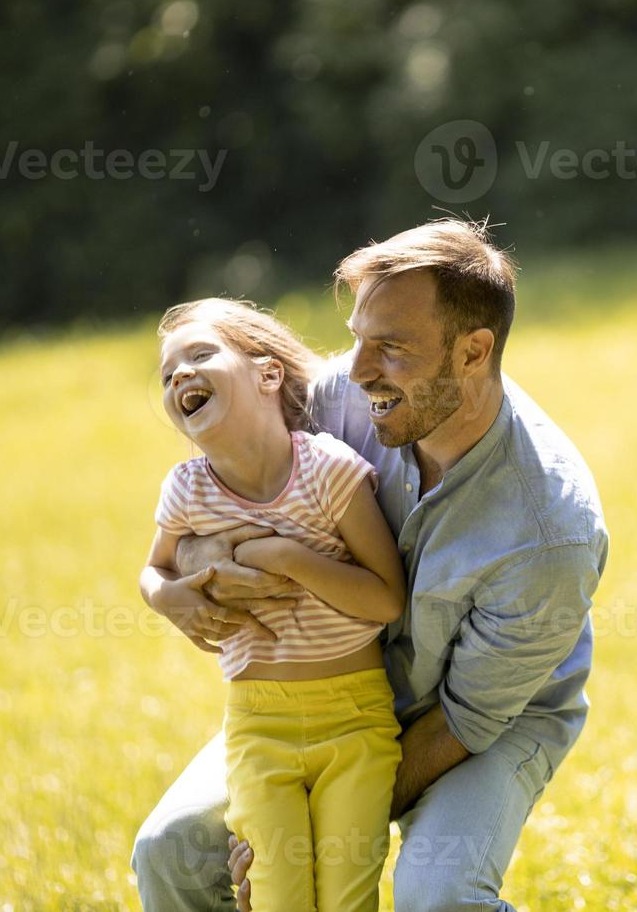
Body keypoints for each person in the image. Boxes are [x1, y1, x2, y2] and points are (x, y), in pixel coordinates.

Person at [132, 219, 609, 912]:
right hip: (326, 694)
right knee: (171, 850)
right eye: (358, 337)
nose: (356, 370)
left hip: (480, 723)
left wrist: (307, 829)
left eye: (390, 347)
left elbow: (465, 721)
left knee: (436, 898)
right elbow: (236, 489)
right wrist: (194, 569)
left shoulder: (548, 536)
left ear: (474, 352)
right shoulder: (341, 400)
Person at [140, 297, 407, 911]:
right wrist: (169, 598)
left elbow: (386, 598)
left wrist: (286, 557)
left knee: (346, 901)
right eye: (167, 373)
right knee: (277, 898)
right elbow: (151, 570)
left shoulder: (329, 471)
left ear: (267, 375)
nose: (180, 374)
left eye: (201, 355)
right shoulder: (186, 490)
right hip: (258, 726)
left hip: (356, 721)